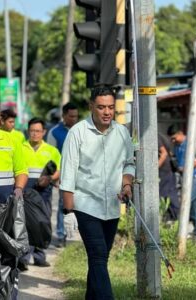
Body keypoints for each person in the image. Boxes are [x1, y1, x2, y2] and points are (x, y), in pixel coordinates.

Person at [60, 86, 135, 300]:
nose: (107, 112)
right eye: (101, 107)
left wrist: (127, 185)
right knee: (98, 256)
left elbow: (129, 164)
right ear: (91, 106)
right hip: (85, 205)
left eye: (110, 107)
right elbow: (68, 174)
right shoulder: (77, 132)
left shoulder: (121, 132)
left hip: (111, 207)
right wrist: (68, 212)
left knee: (100, 259)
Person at [19, 117, 61, 269]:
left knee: (42, 221)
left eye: (38, 131)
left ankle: (39, 256)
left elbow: (58, 170)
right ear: (28, 131)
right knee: (25, 223)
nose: (35, 134)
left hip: (44, 190)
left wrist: (49, 178)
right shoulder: (20, 148)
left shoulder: (52, 151)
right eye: (32, 131)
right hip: (25, 188)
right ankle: (23, 258)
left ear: (44, 132)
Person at [46, 102, 79, 247]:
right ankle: (61, 234)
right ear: (64, 116)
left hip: (82, 174)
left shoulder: (82, 130)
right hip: (63, 175)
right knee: (63, 204)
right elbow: (51, 157)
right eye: (71, 116)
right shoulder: (54, 132)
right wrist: (55, 177)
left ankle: (77, 232)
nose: (74, 119)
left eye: (76, 116)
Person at [171, 129, 196, 241]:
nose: (173, 140)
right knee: (195, 208)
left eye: (174, 137)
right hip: (185, 179)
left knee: (184, 202)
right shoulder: (177, 145)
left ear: (181, 133)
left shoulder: (193, 142)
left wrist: (189, 167)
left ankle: (180, 233)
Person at [160, 130, 180, 224]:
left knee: (166, 194)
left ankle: (175, 218)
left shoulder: (155, 137)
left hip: (165, 171)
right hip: (167, 171)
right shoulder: (163, 137)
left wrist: (154, 168)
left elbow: (164, 154)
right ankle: (172, 217)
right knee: (167, 194)